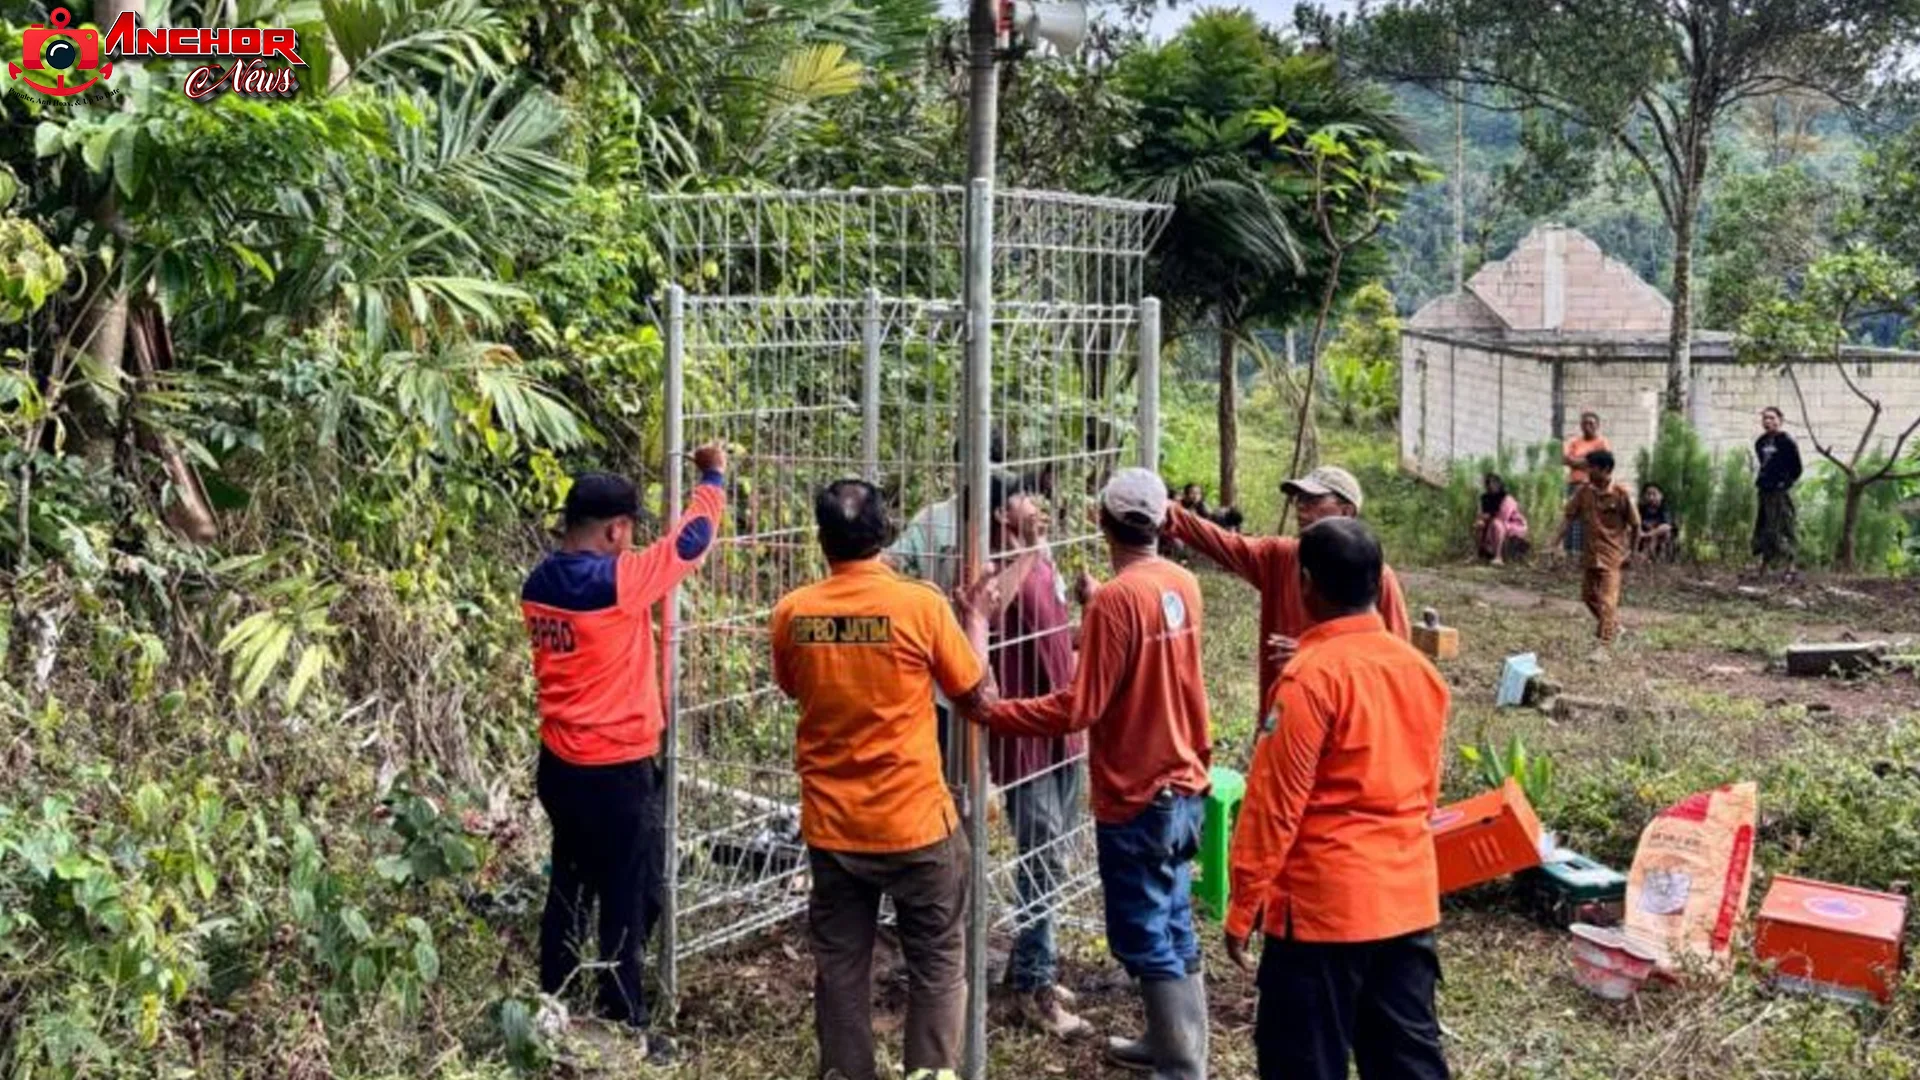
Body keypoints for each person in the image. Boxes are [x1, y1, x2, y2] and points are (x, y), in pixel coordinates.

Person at [974, 467, 1213, 1080]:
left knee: (1144, 934)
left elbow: (1080, 706)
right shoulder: (1181, 582)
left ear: (1102, 521)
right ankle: (1175, 1044)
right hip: (1184, 780)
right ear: (1162, 523)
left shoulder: (1114, 598)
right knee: (1176, 918)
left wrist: (997, 713)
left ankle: (1182, 1066)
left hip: (1139, 789)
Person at [770, 479, 991, 1080]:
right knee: (939, 960)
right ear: (886, 531)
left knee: (840, 966)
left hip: (835, 828)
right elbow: (976, 694)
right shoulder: (921, 606)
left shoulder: (794, 613)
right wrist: (979, 623)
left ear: (822, 541)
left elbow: (793, 685)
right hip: (917, 822)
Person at [521, 445, 729, 1063]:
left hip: (560, 765)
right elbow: (691, 542)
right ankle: (622, 1021)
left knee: (567, 884)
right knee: (626, 895)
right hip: (615, 770)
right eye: (628, 531)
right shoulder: (616, 583)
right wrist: (711, 477)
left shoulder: (539, 582)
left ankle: (551, 999)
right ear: (615, 530)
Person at [1224, 517, 1451, 1080]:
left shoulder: (1310, 679)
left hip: (1322, 914)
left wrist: (1242, 903)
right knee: (1406, 1063)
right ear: (1378, 584)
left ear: (1306, 585)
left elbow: (1275, 807)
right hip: (1405, 901)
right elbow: (1426, 792)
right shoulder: (1421, 673)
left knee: (1302, 1062)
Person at [1161, 465, 1411, 711]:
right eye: (1299, 499)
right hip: (1280, 716)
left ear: (1346, 511)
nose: (1302, 505)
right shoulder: (1280, 556)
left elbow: (1396, 665)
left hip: (1342, 726)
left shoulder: (1377, 577)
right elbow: (1222, 543)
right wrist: (1166, 511)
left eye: (1314, 499)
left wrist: (1316, 660)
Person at [981, 481, 1091, 1038]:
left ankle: (1030, 963)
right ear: (1002, 511)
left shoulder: (1044, 557)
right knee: (1042, 858)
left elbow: (1053, 638)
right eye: (1025, 497)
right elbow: (989, 611)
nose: (1038, 507)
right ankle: (1032, 985)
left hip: (1063, 731)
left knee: (1054, 857)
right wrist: (1026, 552)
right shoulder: (989, 562)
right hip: (1023, 737)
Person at [1550, 450, 1639, 644]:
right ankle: (1615, 628)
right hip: (1591, 554)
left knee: (1607, 600)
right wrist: (1555, 544)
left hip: (1611, 556)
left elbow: (1636, 525)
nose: (1588, 471)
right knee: (1588, 596)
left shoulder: (1621, 494)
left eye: (1592, 467)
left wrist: (1632, 552)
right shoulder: (1583, 492)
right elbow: (1568, 517)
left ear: (1605, 469)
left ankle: (1604, 643)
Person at [1752, 406, 1803, 577]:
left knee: (1784, 526)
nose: (1768, 421)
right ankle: (1764, 564)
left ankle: (1791, 564)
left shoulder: (1786, 442)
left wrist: (1784, 483)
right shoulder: (1760, 443)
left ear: (1780, 421)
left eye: (1772, 418)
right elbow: (1764, 464)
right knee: (1765, 527)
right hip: (1765, 489)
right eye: (1765, 418)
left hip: (1780, 492)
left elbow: (1796, 468)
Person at [1561, 412, 1611, 558]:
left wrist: (1577, 461)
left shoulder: (1602, 443)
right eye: (1585, 423)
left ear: (1597, 426)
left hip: (1592, 485)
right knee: (1571, 516)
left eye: (1591, 423)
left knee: (1589, 518)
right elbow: (1564, 459)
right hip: (1574, 484)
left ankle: (1587, 553)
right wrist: (1585, 461)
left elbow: (1601, 462)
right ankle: (1571, 552)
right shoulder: (1575, 442)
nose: (1587, 426)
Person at [1472, 473, 1528, 566]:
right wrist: (1481, 520)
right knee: (1479, 525)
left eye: (1494, 483)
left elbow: (1504, 516)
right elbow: (1481, 513)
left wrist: (1487, 518)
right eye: (1489, 483)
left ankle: (1498, 557)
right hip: (1491, 522)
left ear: (1499, 484)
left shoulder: (1507, 498)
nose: (1491, 486)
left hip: (1512, 525)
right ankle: (1481, 553)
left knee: (1496, 524)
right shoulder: (1484, 498)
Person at [1636, 482, 1676, 563]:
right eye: (1648, 494)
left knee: (1665, 533)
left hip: (1658, 539)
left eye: (1654, 494)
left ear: (1661, 496)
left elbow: (1666, 526)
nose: (1651, 497)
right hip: (1642, 539)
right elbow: (1633, 523)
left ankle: (1659, 559)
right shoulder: (1640, 508)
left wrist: (1649, 534)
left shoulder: (1665, 508)